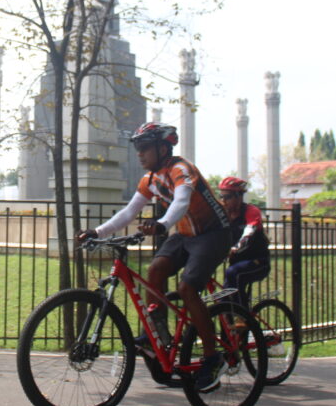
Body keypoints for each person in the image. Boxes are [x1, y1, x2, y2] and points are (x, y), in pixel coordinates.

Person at [77, 122, 232, 392]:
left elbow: (181, 202)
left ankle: (212, 356)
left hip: (213, 235)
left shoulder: (180, 169)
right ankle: (157, 335)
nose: (139, 153)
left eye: (145, 147)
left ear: (163, 148)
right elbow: (128, 213)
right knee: (155, 272)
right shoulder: (149, 180)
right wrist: (97, 232)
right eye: (137, 148)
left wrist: (162, 224)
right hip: (185, 235)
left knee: (187, 288)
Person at [218, 176, 271, 313]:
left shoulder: (251, 211)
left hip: (258, 262)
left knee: (234, 273)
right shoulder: (224, 214)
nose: (223, 201)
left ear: (239, 196)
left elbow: (249, 233)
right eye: (221, 196)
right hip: (237, 264)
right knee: (223, 302)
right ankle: (230, 332)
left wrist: (235, 248)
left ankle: (241, 317)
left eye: (228, 197)